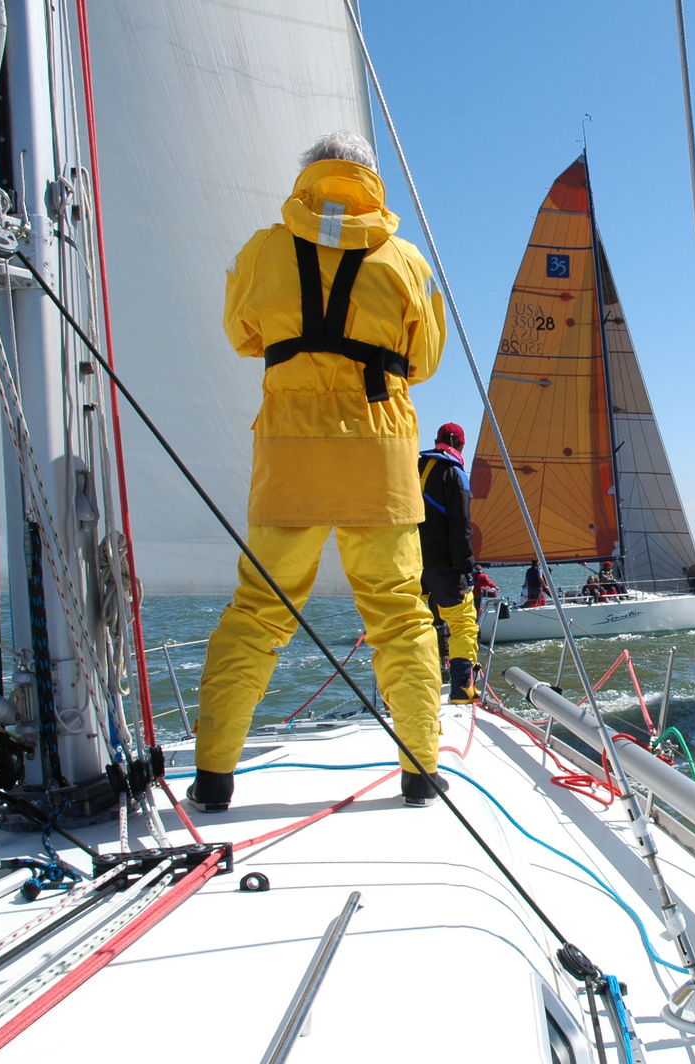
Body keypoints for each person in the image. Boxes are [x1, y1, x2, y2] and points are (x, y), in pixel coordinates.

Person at [192, 131, 448, 811]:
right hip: (379, 450)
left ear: (310, 175)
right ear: (371, 179)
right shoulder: (408, 260)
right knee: (400, 614)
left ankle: (213, 776)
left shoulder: (262, 249)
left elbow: (241, 335)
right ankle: (420, 772)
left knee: (258, 610)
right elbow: (425, 362)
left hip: (290, 449)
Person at [419, 422, 479, 703]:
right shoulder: (456, 474)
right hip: (445, 565)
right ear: (461, 445)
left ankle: (412, 690)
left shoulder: (415, 467)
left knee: (415, 624)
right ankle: (462, 689)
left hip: (410, 563)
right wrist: (467, 568)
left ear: (436, 441)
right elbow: (461, 526)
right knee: (463, 624)